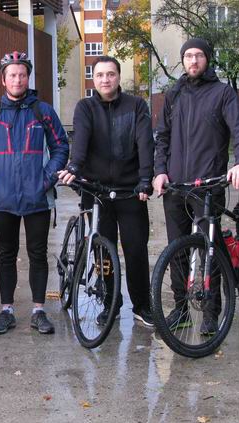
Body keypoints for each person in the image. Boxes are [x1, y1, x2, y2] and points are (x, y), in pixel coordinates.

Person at [152, 38, 239, 334]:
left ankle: (211, 311)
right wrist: (160, 172)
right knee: (177, 250)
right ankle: (181, 309)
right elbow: (162, 138)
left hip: (208, 185)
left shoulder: (222, 94)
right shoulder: (174, 95)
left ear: (207, 59)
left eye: (198, 55)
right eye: (188, 56)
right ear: (182, 61)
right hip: (175, 187)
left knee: (211, 250)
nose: (193, 61)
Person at [0, 51, 69, 335]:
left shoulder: (43, 111)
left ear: (28, 78)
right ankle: (7, 311)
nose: (17, 79)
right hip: (2, 199)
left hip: (38, 197)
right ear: (3, 79)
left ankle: (39, 310)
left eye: (22, 74)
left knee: (38, 255)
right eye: (12, 75)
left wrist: (46, 179)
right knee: (6, 254)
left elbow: (61, 146)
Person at [57, 55, 155, 327]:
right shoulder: (85, 107)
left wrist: (146, 178)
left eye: (110, 74)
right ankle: (110, 302)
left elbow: (145, 143)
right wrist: (75, 167)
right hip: (97, 191)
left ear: (118, 76)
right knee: (103, 251)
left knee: (136, 249)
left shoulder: (136, 106)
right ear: (93, 78)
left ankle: (142, 306)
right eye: (99, 75)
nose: (105, 79)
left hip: (130, 190)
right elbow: (82, 138)